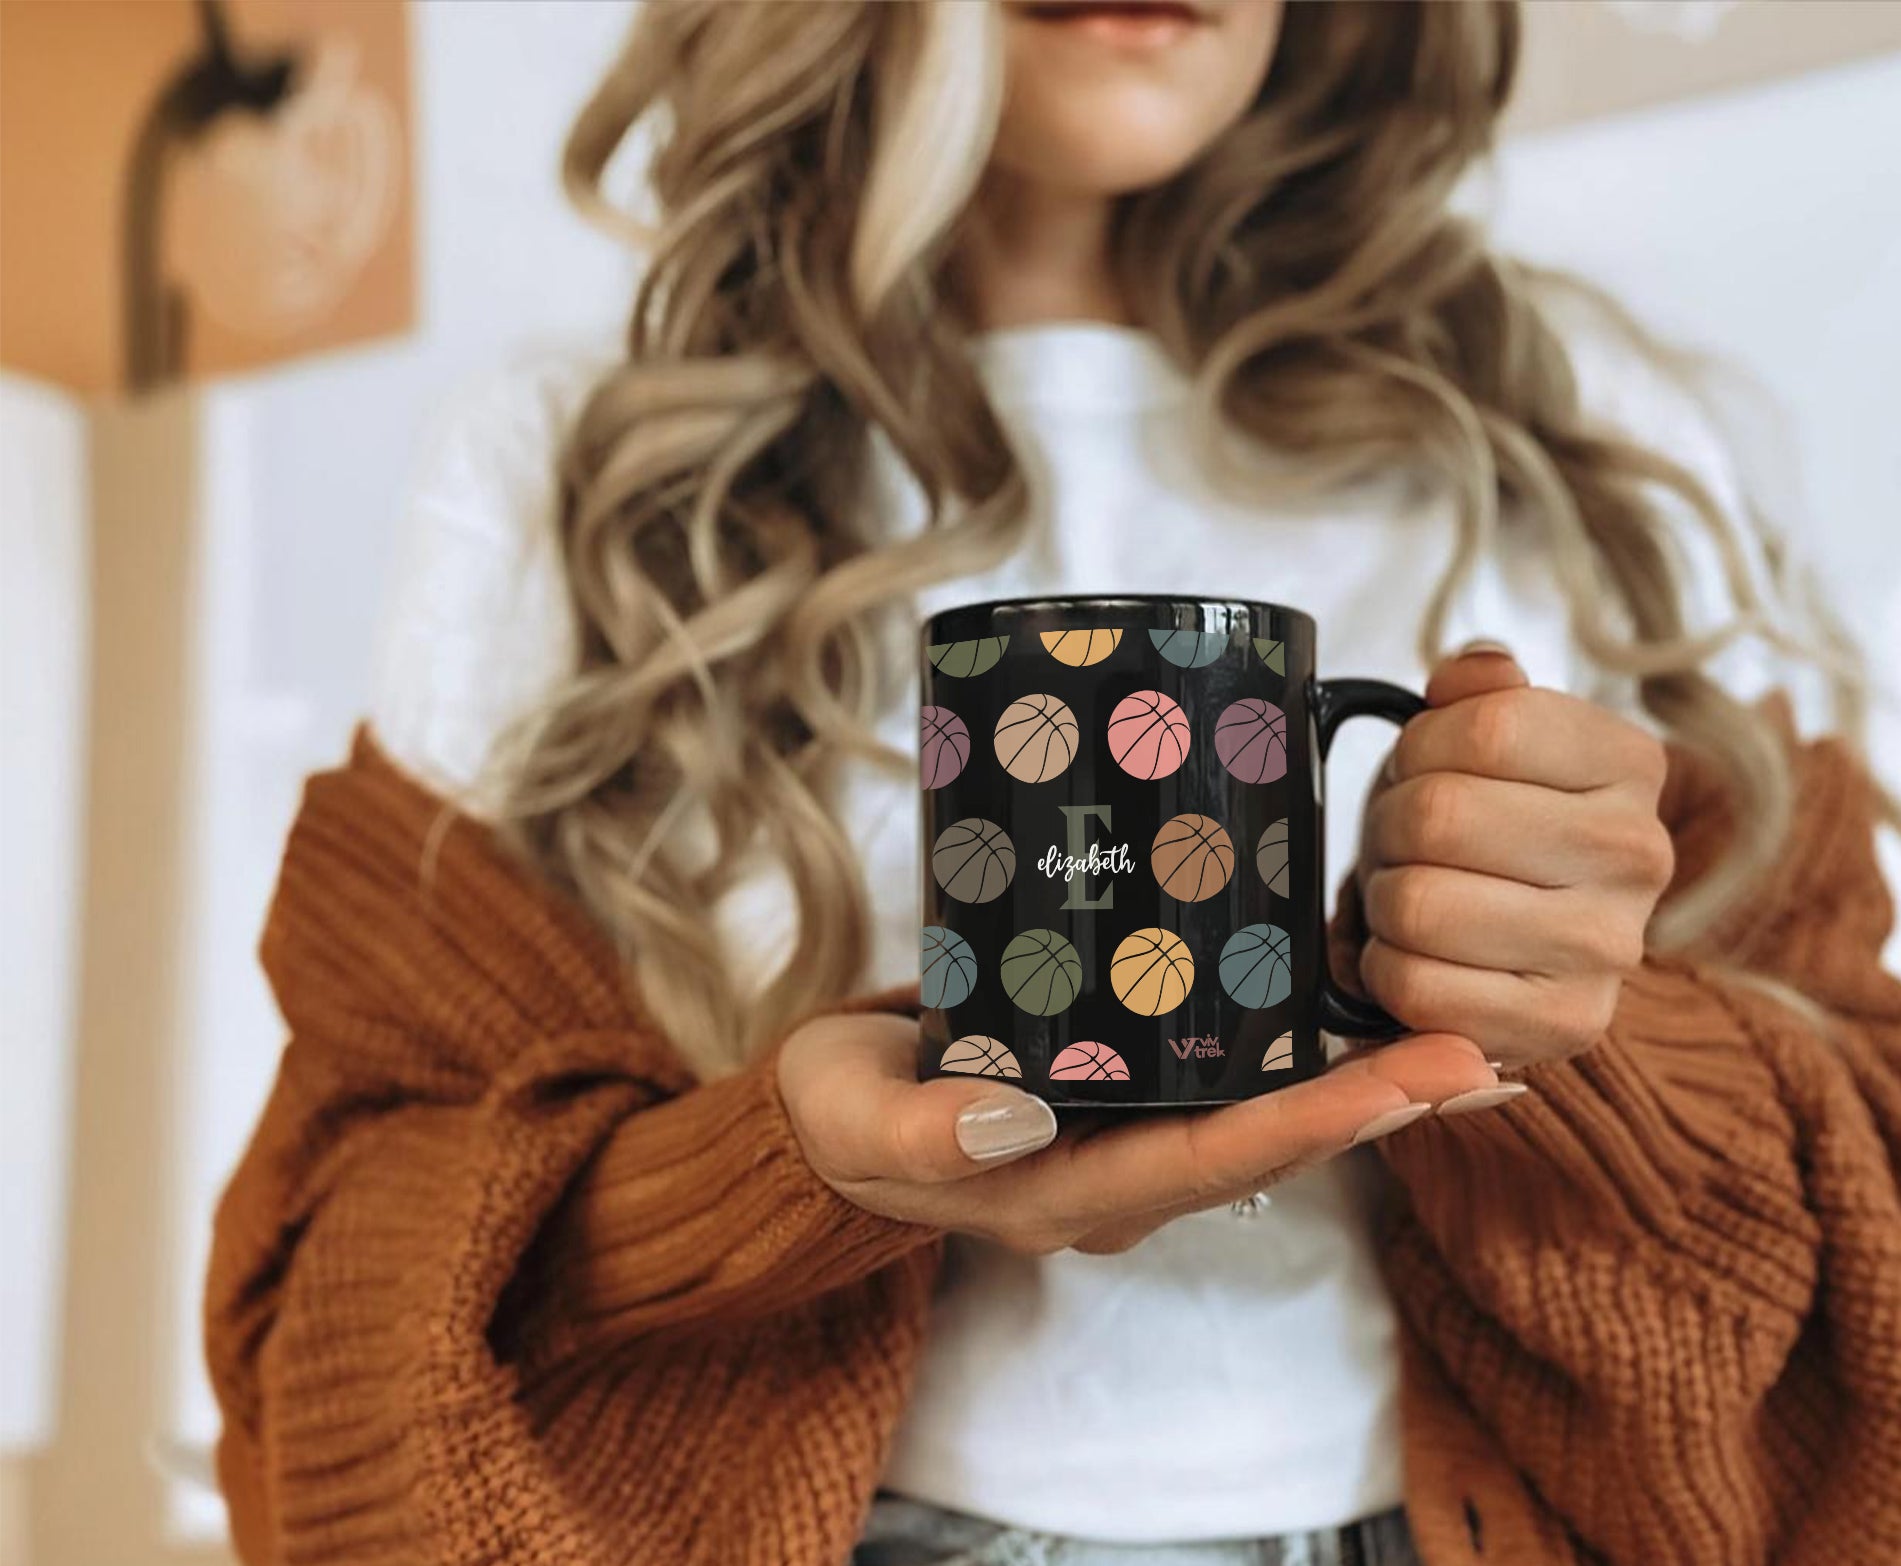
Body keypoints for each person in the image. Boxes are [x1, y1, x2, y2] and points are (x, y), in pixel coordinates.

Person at [205, 4, 1901, 1564]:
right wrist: (771, 1174)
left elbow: (1861, 1215)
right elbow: (342, 1270)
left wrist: (1575, 1042)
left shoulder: (1576, 432)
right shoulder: (583, 474)